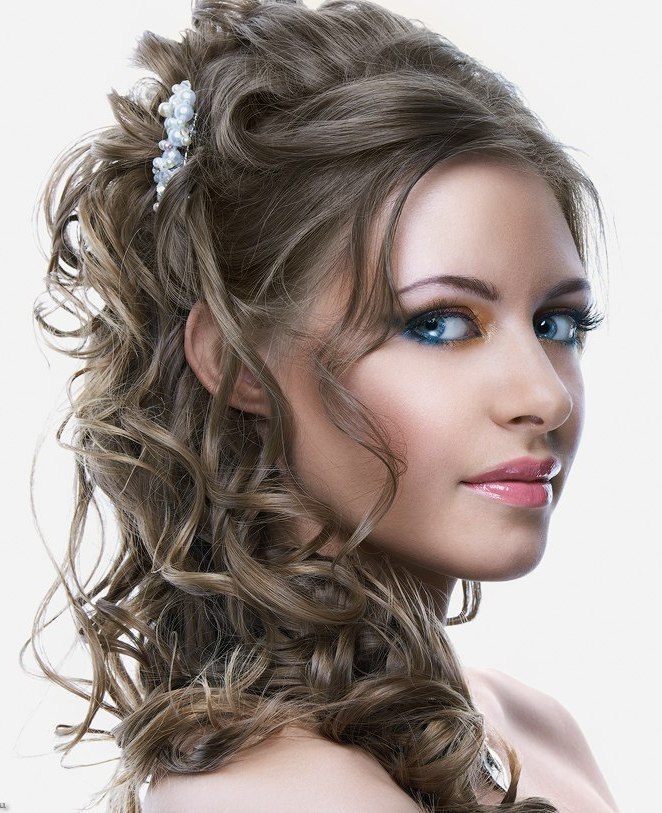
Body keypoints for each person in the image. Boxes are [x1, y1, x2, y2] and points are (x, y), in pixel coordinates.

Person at [28, 0, 621, 810]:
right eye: (440, 324)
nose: (545, 395)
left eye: (557, 323)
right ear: (238, 361)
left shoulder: (534, 727)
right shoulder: (276, 791)